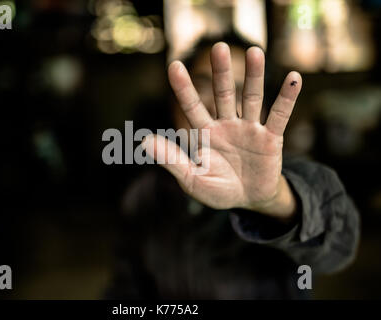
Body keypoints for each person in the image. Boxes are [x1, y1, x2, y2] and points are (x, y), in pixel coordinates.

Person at [104, 34, 360, 299]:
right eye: (203, 85)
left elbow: (339, 245)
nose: (216, 104)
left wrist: (274, 200)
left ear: (263, 110)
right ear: (176, 101)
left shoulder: (293, 177)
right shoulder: (145, 194)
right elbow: (127, 289)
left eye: (239, 91)